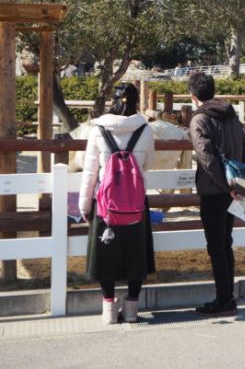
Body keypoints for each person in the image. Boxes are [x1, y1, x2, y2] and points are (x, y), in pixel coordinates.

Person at [78, 83, 156, 325]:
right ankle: (131, 310)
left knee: (105, 257)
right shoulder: (144, 129)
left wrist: (84, 205)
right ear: (135, 102)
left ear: (113, 100)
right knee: (136, 255)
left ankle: (108, 311)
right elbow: (148, 164)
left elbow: (90, 171)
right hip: (135, 204)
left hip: (105, 204)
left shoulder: (98, 130)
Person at [188, 72, 245, 316]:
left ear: (192, 96)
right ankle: (228, 297)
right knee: (226, 243)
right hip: (234, 190)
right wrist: (238, 182)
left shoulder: (199, 120)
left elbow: (207, 160)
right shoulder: (231, 116)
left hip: (213, 191)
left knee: (216, 247)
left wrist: (227, 186)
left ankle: (224, 299)